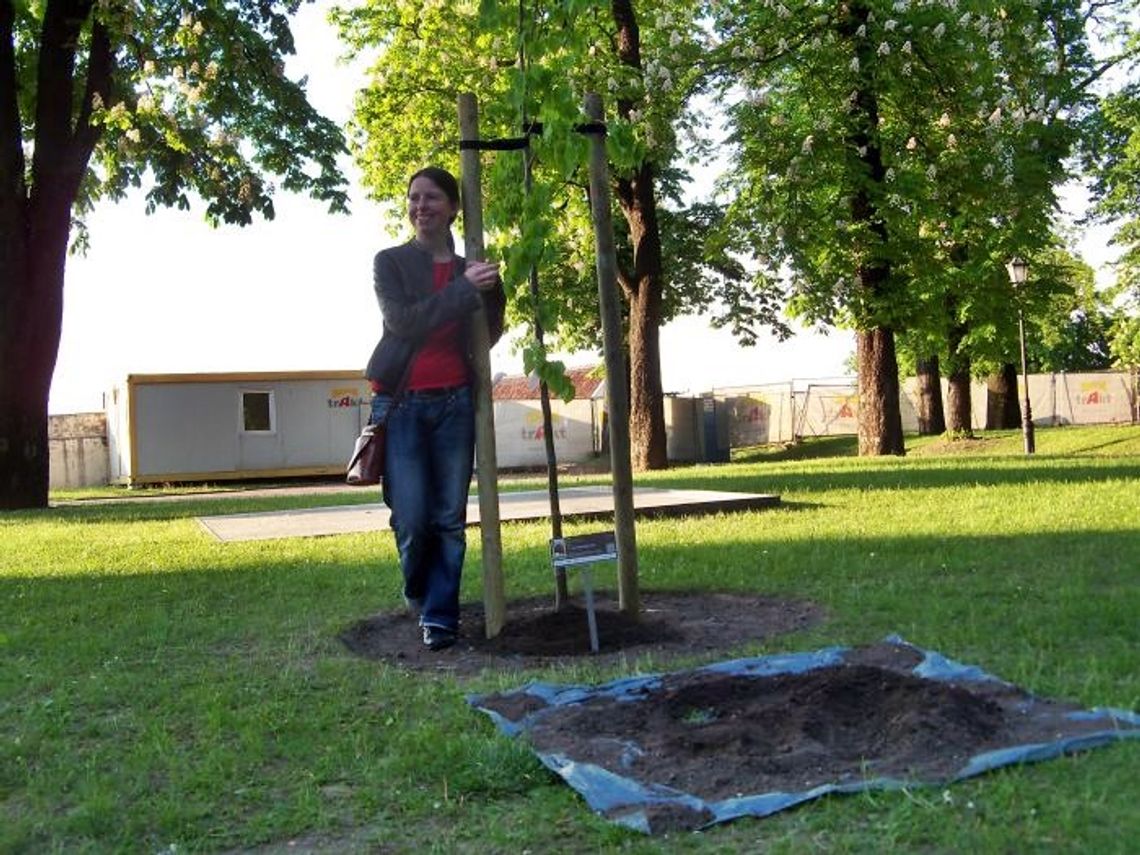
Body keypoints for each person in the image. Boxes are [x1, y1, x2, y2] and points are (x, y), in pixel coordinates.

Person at [364, 166, 506, 651]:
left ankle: (440, 617)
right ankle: (418, 590)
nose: (420, 206)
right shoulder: (391, 262)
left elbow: (490, 333)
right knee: (410, 516)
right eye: (413, 198)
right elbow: (403, 322)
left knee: (448, 516)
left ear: (452, 207)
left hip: (456, 402)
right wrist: (464, 289)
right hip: (401, 403)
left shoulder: (474, 267)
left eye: (431, 198)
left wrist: (489, 293)